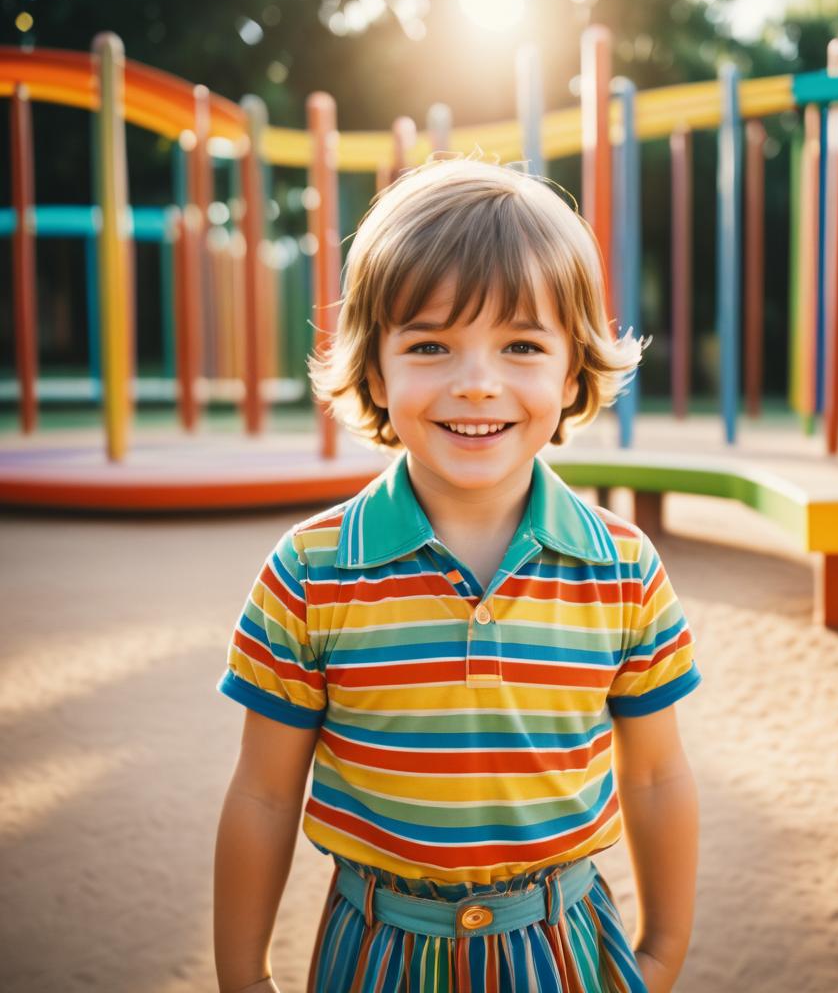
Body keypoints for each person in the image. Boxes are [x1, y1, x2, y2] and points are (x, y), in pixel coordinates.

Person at [213, 157, 701, 993]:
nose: (477, 382)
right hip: (375, 952)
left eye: (521, 345)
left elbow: (655, 775)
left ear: (573, 372)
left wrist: (660, 955)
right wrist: (243, 978)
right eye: (431, 344)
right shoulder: (308, 573)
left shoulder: (624, 570)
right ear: (374, 368)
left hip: (566, 946)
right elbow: (262, 795)